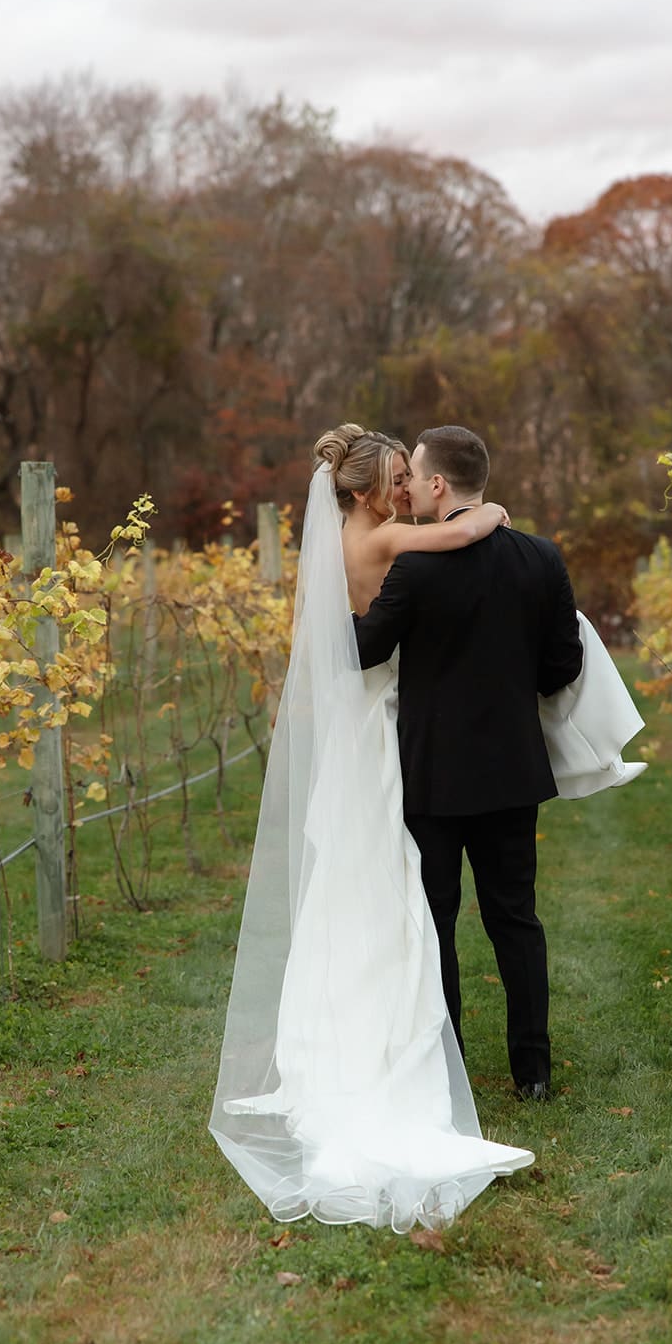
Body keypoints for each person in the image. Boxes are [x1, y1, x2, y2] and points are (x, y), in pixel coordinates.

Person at [209, 425, 534, 1232]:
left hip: (361, 718)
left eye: (404, 476)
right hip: (388, 721)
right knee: (390, 877)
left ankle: (343, 1028)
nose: (400, 489)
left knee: (354, 873)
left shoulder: (335, 551)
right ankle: (400, 1035)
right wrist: (487, 510)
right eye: (392, 477)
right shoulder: (389, 535)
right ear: (361, 492)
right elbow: (457, 530)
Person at [353, 425, 585, 1101]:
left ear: (436, 484)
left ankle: (444, 1069)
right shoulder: (540, 558)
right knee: (516, 918)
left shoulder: (416, 568)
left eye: (413, 475)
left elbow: (365, 649)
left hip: (432, 775)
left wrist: (316, 625)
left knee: (436, 921)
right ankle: (532, 1073)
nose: (408, 487)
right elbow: (562, 665)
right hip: (512, 768)